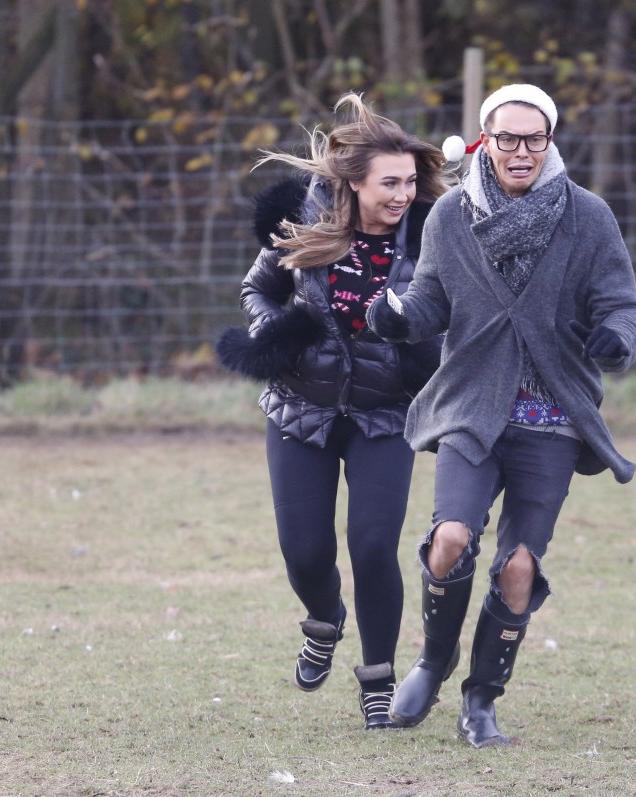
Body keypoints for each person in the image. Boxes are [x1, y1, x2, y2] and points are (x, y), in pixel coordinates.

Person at [367, 83, 636, 748]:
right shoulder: (449, 218)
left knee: (519, 566)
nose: (520, 150)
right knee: (450, 539)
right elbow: (429, 300)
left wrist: (615, 337)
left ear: (549, 141)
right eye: (506, 137)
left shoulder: (587, 217)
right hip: (470, 404)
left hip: (551, 414)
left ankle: (481, 699)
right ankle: (433, 663)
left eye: (533, 138)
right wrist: (397, 316)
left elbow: (623, 305)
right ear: (483, 142)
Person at [215, 93, 450, 729]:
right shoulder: (306, 223)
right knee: (304, 551)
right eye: (389, 183)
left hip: (384, 413)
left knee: (374, 546)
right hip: (300, 409)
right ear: (353, 184)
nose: (402, 194)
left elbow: (454, 313)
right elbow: (257, 287)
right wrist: (277, 334)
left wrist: (422, 344)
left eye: (409, 182)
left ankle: (378, 679)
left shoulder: (433, 237)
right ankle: (324, 621)